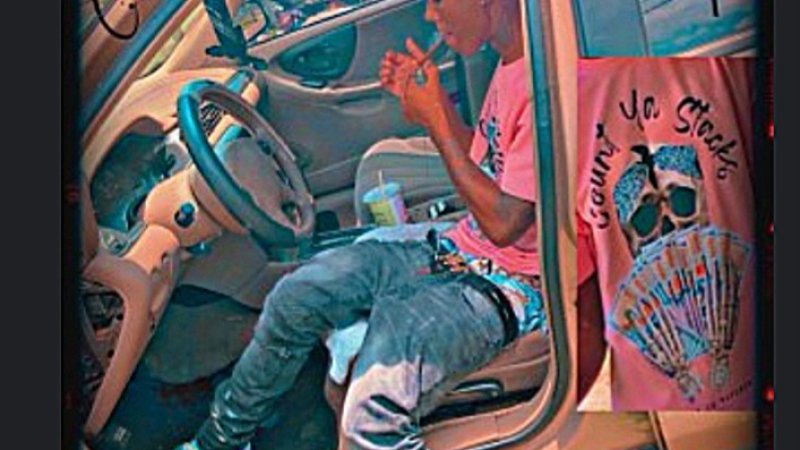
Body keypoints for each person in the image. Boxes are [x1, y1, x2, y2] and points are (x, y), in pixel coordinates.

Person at [178, 0, 543, 448]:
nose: (430, 15)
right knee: (295, 296)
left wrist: (434, 117)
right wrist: (434, 111)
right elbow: (489, 165)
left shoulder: (546, 88)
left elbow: (506, 222)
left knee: (370, 417)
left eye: (437, 1)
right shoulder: (513, 65)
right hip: (459, 247)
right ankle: (220, 439)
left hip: (513, 284)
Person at [576, 57, 757, 411]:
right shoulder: (717, 55)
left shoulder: (559, 105)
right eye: (646, 221)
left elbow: (585, 325)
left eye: (684, 203)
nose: (673, 234)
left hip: (656, 409)